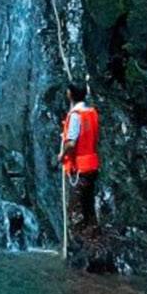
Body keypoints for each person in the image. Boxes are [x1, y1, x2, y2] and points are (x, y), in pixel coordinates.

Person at [58, 82, 100, 231]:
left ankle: (81, 244)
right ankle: (94, 241)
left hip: (80, 168)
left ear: (70, 94)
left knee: (75, 211)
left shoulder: (75, 116)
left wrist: (62, 155)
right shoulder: (92, 113)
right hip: (92, 165)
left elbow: (71, 143)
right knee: (88, 207)